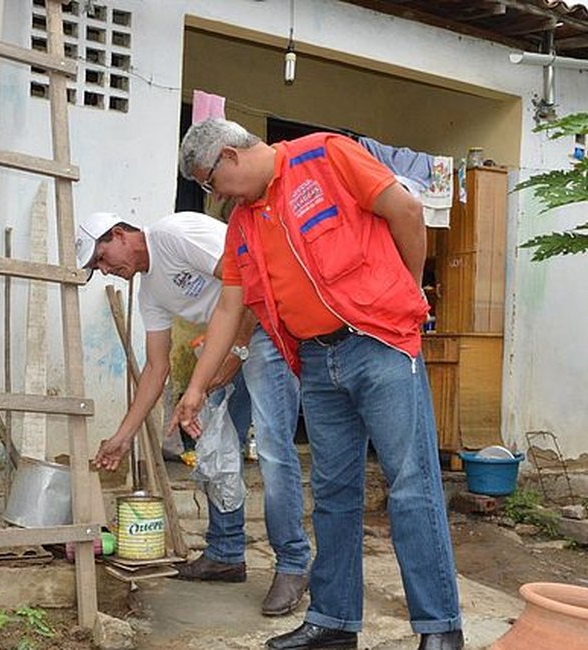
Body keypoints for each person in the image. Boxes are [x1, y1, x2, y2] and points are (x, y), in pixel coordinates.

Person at [174, 118, 463, 650]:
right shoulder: (243, 222)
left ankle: (440, 628)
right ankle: (333, 620)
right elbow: (229, 307)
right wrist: (196, 388)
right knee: (332, 493)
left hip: (380, 346)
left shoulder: (326, 155)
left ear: (230, 158)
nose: (215, 196)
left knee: (410, 485)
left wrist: (401, 297)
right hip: (316, 360)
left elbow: (408, 211)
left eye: (211, 183)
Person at [77, 210, 311, 616]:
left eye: (100, 258)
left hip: (267, 328)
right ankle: (225, 552)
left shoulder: (175, 234)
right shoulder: (150, 290)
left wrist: (234, 354)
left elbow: (253, 279)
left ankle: (293, 564)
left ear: (118, 234)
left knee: (272, 450)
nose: (104, 270)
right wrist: (123, 435)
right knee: (216, 449)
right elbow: (156, 368)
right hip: (227, 343)